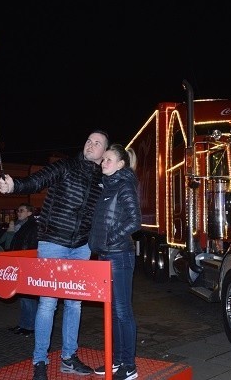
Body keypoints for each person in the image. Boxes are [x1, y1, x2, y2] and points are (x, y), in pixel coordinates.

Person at [0, 130, 109, 380]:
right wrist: (14, 185)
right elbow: (39, 180)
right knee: (48, 303)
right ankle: (40, 360)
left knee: (74, 303)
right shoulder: (67, 166)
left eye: (97, 143)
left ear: (104, 153)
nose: (91, 145)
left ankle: (68, 357)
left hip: (82, 247)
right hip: (53, 243)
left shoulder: (103, 176)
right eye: (89, 140)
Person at [90, 144, 142, 380]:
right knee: (111, 311)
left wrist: (110, 237)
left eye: (109, 160)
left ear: (121, 164)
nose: (104, 163)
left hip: (119, 254)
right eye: (103, 160)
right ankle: (117, 360)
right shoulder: (107, 186)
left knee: (122, 311)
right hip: (105, 254)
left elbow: (134, 221)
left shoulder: (124, 185)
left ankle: (129, 365)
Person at [6, 203, 39, 337]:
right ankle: (24, 324)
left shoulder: (32, 226)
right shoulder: (20, 226)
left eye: (22, 210)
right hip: (19, 264)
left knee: (28, 298)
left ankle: (30, 326)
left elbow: (32, 246)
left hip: (26, 265)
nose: (18, 212)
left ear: (29, 213)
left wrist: (28, 263)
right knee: (23, 298)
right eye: (18, 210)